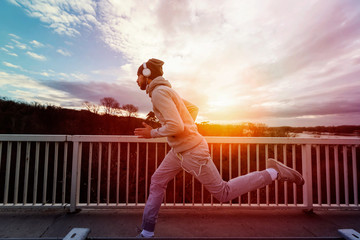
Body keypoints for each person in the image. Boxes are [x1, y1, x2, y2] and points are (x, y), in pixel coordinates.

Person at [134, 58, 305, 238]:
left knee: (224, 192)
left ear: (146, 75)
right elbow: (192, 108)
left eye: (137, 76)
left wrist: (152, 133)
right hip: (179, 151)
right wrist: (187, 127)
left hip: (192, 152)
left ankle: (273, 172)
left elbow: (176, 126)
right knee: (157, 181)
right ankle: (147, 232)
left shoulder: (159, 93)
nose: (136, 81)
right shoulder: (167, 90)